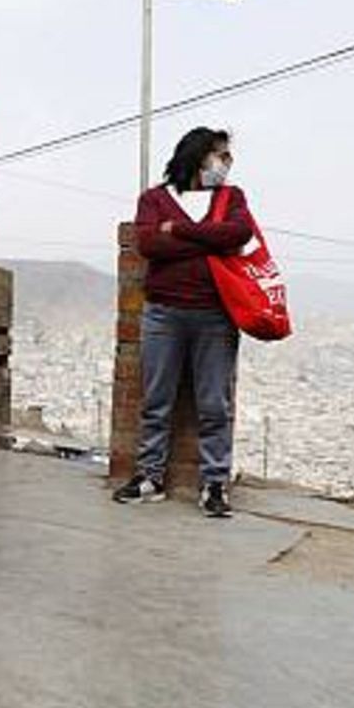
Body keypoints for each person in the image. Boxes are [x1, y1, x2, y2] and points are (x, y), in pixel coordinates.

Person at [113, 127, 250, 517]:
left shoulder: (231, 198)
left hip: (216, 316)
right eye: (219, 156)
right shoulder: (154, 199)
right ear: (198, 156)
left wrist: (182, 231)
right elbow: (151, 244)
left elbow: (239, 233)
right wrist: (211, 239)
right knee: (156, 400)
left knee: (214, 404)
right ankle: (149, 477)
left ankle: (214, 485)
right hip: (164, 314)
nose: (225, 164)